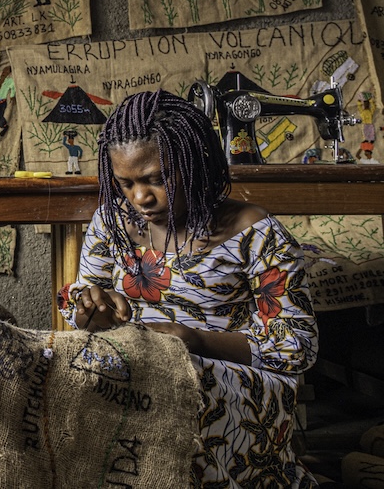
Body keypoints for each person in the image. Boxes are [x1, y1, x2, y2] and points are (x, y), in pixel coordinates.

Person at [58, 90, 318, 487]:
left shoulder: (254, 232)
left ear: (194, 162)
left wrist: (195, 341)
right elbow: (82, 295)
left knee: (171, 386)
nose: (140, 197)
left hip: (235, 381)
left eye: (156, 179)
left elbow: (296, 345)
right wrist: (90, 310)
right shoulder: (111, 221)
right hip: (140, 371)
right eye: (124, 183)